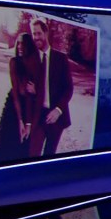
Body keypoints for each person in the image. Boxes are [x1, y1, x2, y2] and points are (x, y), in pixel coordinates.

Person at [0, 32, 44, 163]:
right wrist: (20, 120)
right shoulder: (14, 62)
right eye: (18, 43)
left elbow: (38, 91)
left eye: (22, 44)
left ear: (28, 45)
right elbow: (16, 92)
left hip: (29, 107)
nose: (19, 47)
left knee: (24, 145)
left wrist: (28, 122)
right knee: (7, 142)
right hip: (14, 106)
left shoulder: (35, 63)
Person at [31, 18, 73, 156]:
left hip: (56, 116)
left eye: (38, 33)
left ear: (46, 33)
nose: (36, 37)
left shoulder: (61, 59)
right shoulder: (31, 59)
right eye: (34, 34)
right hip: (38, 114)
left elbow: (68, 89)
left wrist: (58, 110)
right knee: (33, 153)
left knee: (49, 154)